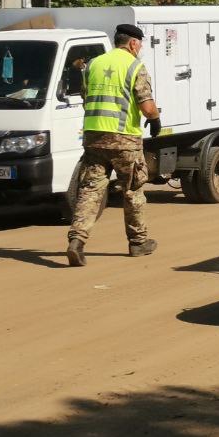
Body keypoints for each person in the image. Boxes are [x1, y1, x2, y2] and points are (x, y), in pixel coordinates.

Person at [65, 23, 162, 267]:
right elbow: (147, 107)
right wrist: (155, 119)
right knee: (132, 190)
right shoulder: (134, 66)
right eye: (139, 44)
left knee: (90, 190)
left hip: (94, 138)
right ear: (132, 43)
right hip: (124, 140)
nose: (139, 49)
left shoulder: (93, 65)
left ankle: (77, 240)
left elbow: (86, 98)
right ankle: (138, 242)